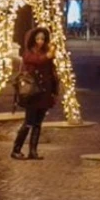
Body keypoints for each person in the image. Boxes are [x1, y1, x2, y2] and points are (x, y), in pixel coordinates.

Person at [11, 27, 60, 160]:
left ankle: (33, 151)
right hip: (32, 93)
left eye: (43, 39)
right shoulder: (28, 53)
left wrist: (54, 91)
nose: (40, 41)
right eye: (38, 39)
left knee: (38, 123)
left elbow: (52, 72)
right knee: (28, 122)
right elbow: (37, 60)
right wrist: (48, 55)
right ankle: (16, 150)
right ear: (33, 40)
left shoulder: (47, 52)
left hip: (44, 93)